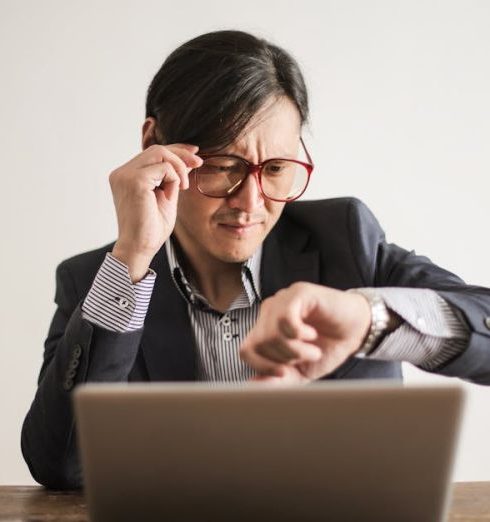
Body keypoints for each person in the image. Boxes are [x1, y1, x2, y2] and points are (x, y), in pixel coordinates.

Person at [22, 29, 490, 490]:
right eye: (224, 167)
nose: (250, 202)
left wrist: (369, 319)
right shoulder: (96, 280)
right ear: (154, 147)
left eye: (277, 169)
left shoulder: (346, 240)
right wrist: (132, 259)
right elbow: (59, 466)